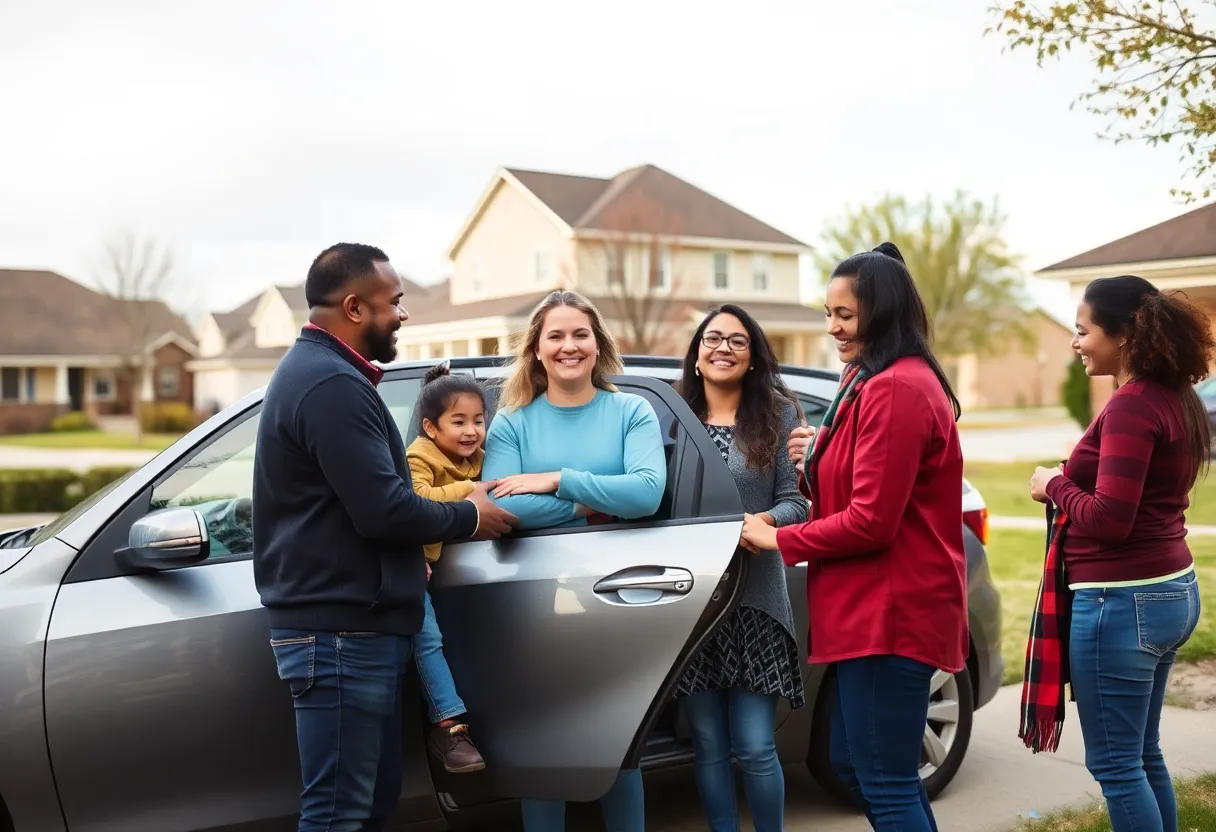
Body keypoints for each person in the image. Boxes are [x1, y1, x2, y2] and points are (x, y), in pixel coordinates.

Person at [252, 243, 516, 832]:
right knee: (340, 813)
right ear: (353, 306)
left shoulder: (328, 375)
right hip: (340, 633)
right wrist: (472, 515)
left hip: (357, 627)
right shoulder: (329, 385)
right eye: (393, 302)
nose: (402, 314)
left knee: (370, 806)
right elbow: (384, 512)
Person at [741, 242, 967, 832]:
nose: (833, 327)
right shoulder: (868, 382)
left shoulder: (897, 387)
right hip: (868, 610)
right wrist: (820, 454)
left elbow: (872, 521)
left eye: (845, 314)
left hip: (893, 613)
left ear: (884, 311)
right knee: (858, 766)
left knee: (887, 783)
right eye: (828, 313)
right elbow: (865, 486)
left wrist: (776, 540)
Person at [1023, 275, 1212, 832]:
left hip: (1122, 603)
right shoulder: (1172, 397)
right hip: (1169, 589)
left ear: (1125, 335)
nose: (1076, 342)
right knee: (1141, 753)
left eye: (1083, 331)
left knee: (1115, 764)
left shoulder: (1132, 405)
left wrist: (1052, 484)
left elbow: (1110, 518)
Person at [480, 289, 666, 832]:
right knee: (544, 749)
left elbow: (648, 493)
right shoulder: (513, 422)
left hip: (620, 598)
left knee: (618, 747)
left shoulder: (632, 410)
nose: (568, 346)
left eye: (579, 334)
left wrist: (558, 479)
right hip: (534, 604)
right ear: (536, 350)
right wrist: (594, 501)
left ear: (597, 343)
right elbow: (501, 506)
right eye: (555, 336)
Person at [672, 304, 807, 832]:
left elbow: (798, 503)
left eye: (737, 340)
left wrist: (764, 520)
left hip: (755, 603)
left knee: (753, 747)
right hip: (690, 603)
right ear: (697, 353)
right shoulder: (672, 415)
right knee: (707, 745)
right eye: (712, 338)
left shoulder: (777, 414)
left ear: (752, 357)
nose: (722, 348)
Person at [405, 362, 491, 774]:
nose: (471, 431)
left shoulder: (482, 458)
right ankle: (448, 723)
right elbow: (417, 499)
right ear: (431, 427)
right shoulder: (418, 455)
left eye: (478, 420)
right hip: (407, 560)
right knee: (427, 640)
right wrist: (472, 492)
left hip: (448, 569)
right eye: (458, 421)